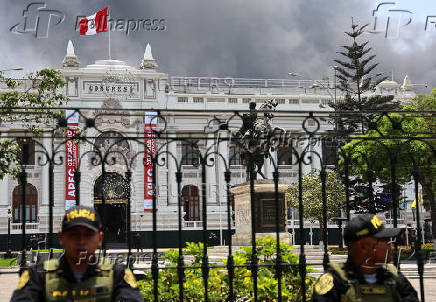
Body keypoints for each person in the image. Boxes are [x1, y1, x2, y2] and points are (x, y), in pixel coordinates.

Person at [11, 205, 143, 302]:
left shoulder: (118, 274)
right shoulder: (37, 275)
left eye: (88, 235)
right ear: (61, 237)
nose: (81, 241)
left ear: (100, 239)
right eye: (73, 234)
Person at [312, 214, 419, 302]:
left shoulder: (395, 277)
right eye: (382, 240)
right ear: (363, 247)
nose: (388, 244)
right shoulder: (334, 280)